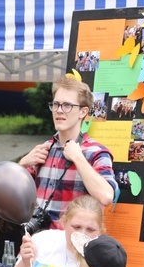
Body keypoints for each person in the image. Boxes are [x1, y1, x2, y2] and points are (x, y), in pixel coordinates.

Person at [19, 77, 118, 228]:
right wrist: (21, 165)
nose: (59, 110)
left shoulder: (96, 152)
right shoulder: (42, 150)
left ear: (83, 112)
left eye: (67, 105)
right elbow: (9, 197)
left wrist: (78, 158)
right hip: (37, 243)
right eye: (56, 104)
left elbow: (106, 196)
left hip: (74, 245)